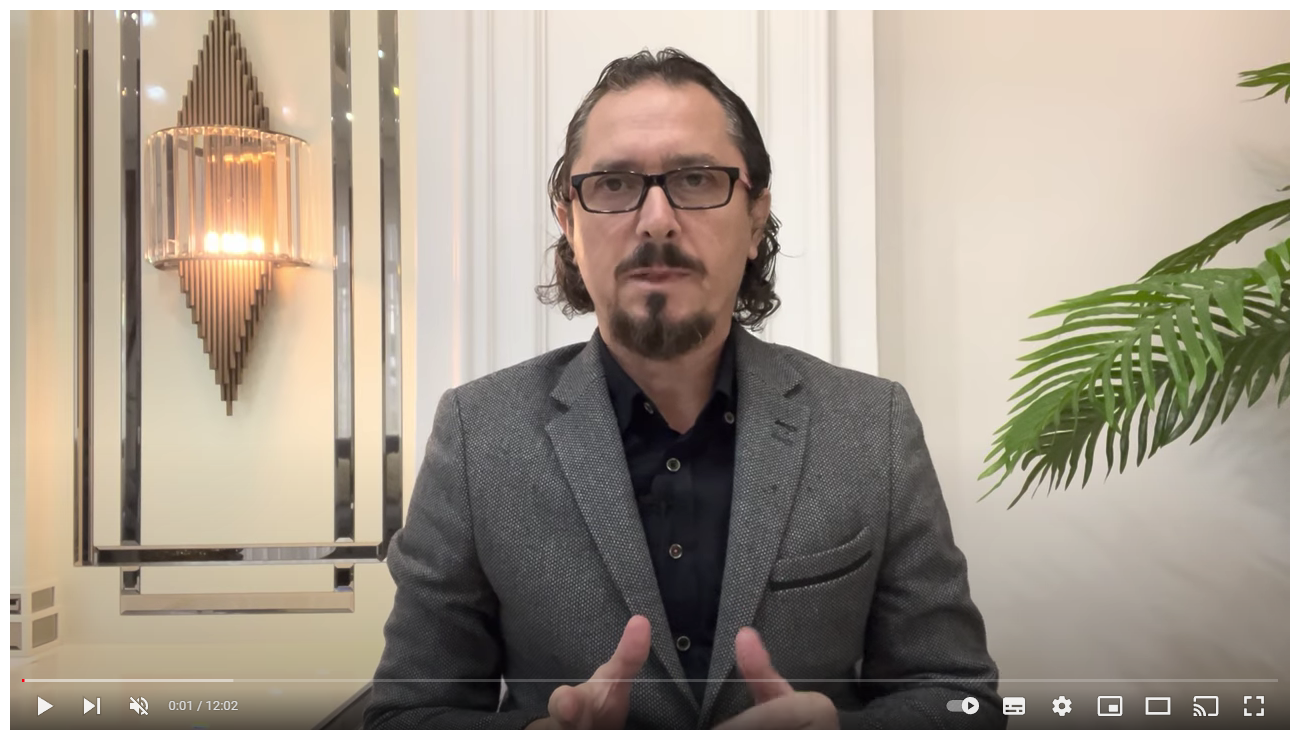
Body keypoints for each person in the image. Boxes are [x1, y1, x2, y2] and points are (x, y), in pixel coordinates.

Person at [363, 48, 1004, 730]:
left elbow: (961, 699)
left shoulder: (872, 425)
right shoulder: (478, 436)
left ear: (755, 218)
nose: (656, 219)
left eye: (696, 179)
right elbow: (404, 715)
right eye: (613, 183)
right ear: (569, 224)